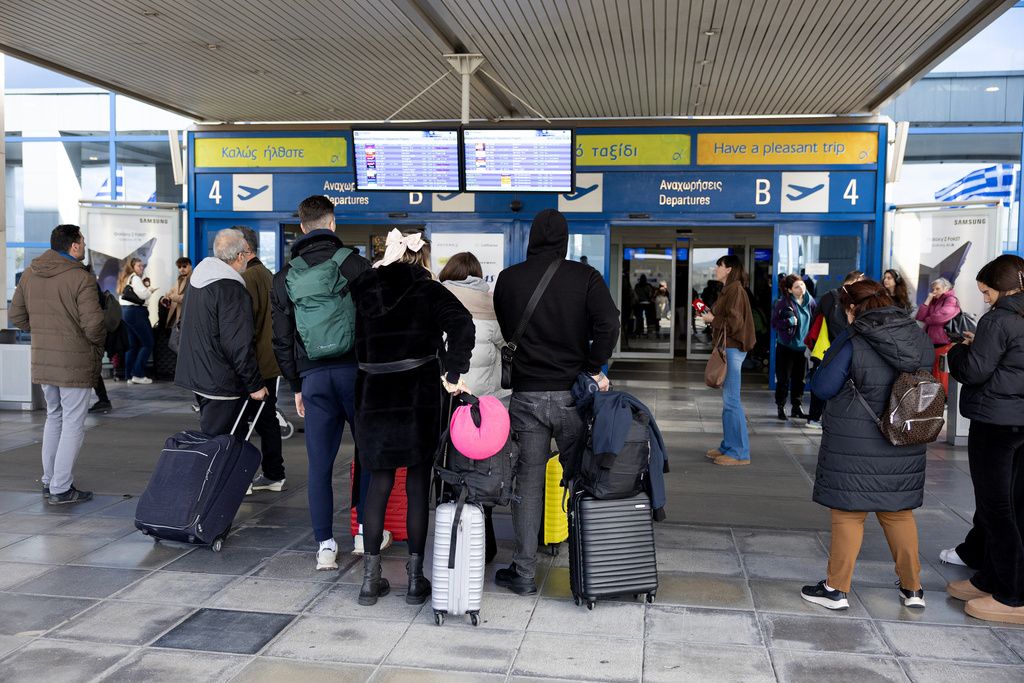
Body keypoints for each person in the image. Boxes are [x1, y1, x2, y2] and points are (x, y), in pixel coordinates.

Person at [492, 208, 619, 595]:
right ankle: (593, 571)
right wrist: (593, 365)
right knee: (583, 478)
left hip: (527, 395)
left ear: (531, 238)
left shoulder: (509, 279)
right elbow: (609, 323)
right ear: (564, 240)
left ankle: (525, 574)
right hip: (572, 396)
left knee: (528, 482)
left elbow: (506, 326)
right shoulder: (585, 277)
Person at [350, 230, 475, 606]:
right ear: (421, 258)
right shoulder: (427, 289)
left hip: (372, 395)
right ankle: (416, 581)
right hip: (417, 397)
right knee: (418, 486)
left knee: (378, 485)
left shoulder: (364, 290)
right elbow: (463, 324)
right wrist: (453, 373)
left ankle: (371, 582)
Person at [800, 279, 933, 611]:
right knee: (899, 514)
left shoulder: (853, 338)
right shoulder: (918, 335)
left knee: (848, 513)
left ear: (851, 308)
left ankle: (836, 589)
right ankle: (913, 590)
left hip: (856, 442)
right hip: (904, 439)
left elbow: (823, 386)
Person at [271, 195, 371, 572]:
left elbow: (280, 339)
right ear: (333, 223)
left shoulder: (284, 277)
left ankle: (325, 547)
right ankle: (364, 533)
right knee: (366, 456)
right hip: (358, 374)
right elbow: (377, 316)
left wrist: (296, 384)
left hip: (313, 379)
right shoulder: (355, 264)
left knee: (320, 465)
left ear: (301, 227)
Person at [945, 254, 1024, 624]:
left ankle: (1012, 595)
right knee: (1015, 506)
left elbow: (974, 372)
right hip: (1020, 425)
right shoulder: (1014, 318)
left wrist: (960, 350)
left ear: (1005, 288)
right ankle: (992, 579)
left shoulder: (998, 319)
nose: (986, 300)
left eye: (988, 292)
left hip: (995, 425)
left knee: (996, 509)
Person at [9, 225, 106, 504]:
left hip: (44, 360)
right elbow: (94, 324)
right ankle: (61, 488)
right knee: (74, 423)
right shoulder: (81, 278)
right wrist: (95, 344)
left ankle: (50, 481)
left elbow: (16, 315)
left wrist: (42, 331)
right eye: (83, 241)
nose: (85, 245)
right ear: (74, 247)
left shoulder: (30, 273)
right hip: (74, 359)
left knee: (54, 418)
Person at [175, 229, 268, 436]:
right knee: (224, 448)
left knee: (214, 442)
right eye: (246, 251)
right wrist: (255, 386)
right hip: (222, 382)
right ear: (240, 256)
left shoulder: (197, 281)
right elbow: (238, 345)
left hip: (200, 375)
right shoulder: (233, 290)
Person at [235, 226, 286, 494]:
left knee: (242, 421)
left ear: (245, 247)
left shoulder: (248, 277)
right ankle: (274, 473)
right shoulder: (268, 274)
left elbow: (246, 326)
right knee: (267, 420)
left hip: (252, 365)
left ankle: (242, 478)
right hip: (269, 361)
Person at [700, 254, 756, 466]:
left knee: (732, 401)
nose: (716, 270)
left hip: (732, 348)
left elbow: (735, 323)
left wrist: (712, 319)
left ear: (730, 269)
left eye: (719, 266)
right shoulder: (730, 290)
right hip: (728, 348)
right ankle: (729, 446)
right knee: (729, 402)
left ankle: (740, 452)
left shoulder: (735, 290)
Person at [805, 271, 865, 429]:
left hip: (825, 349)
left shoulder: (827, 296)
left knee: (822, 382)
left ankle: (814, 417)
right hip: (846, 348)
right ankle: (830, 420)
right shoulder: (854, 300)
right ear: (856, 281)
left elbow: (814, 322)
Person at [770, 274, 816, 420]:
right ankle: (781, 406)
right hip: (787, 346)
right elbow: (774, 324)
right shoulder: (783, 303)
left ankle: (797, 407)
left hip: (803, 348)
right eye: (796, 286)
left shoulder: (811, 302)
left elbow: (816, 320)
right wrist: (789, 321)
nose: (801, 288)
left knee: (800, 380)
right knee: (783, 379)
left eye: (802, 285)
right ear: (789, 290)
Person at [916, 277, 960, 392]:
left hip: (944, 342)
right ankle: (936, 396)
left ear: (946, 289)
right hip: (931, 342)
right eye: (933, 289)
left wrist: (928, 319)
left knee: (943, 372)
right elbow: (920, 317)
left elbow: (943, 315)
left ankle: (944, 396)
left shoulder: (950, 299)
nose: (934, 291)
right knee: (934, 371)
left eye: (937, 289)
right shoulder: (934, 301)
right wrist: (928, 300)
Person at [117, 257, 157, 384]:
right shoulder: (135, 278)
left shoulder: (124, 278)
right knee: (148, 343)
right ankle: (138, 374)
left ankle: (129, 376)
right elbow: (143, 294)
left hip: (125, 312)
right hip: (136, 312)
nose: (141, 268)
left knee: (131, 346)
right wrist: (149, 291)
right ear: (132, 267)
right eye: (139, 266)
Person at [161, 257, 192, 329]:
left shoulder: (192, 279)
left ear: (190, 267)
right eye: (179, 267)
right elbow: (173, 290)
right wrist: (166, 297)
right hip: (177, 315)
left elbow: (190, 298)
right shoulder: (180, 278)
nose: (182, 269)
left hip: (186, 315)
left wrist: (175, 297)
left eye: (184, 266)